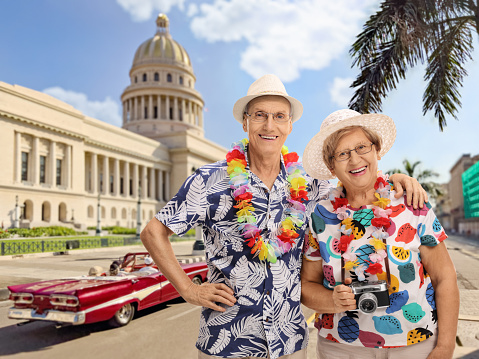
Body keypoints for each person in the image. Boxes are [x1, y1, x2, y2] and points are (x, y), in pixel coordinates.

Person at [140, 75, 426, 359]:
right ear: (245, 123)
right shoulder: (210, 180)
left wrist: (396, 180)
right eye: (260, 115)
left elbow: (356, 182)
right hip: (227, 341)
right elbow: (153, 232)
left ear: (290, 125)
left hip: (289, 341)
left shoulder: (308, 183)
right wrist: (189, 289)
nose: (269, 125)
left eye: (279, 116)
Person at [300, 109, 459, 359]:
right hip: (341, 347)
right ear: (331, 166)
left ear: (376, 150)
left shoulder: (412, 203)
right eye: (342, 154)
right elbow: (306, 285)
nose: (354, 160)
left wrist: (445, 347)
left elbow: (445, 277)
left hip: (415, 343)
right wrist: (333, 300)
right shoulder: (321, 216)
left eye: (362, 147)